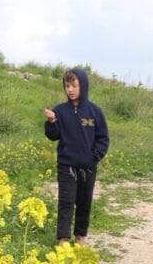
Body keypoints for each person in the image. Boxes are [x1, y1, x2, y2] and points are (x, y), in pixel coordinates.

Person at [42, 67, 110, 245]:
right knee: (66, 201)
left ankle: (80, 236)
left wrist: (93, 157)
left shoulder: (95, 112)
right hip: (66, 165)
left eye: (74, 85)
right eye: (67, 86)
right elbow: (53, 135)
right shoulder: (60, 110)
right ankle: (63, 238)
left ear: (83, 86)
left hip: (88, 166)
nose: (70, 90)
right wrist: (51, 122)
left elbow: (103, 138)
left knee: (84, 201)